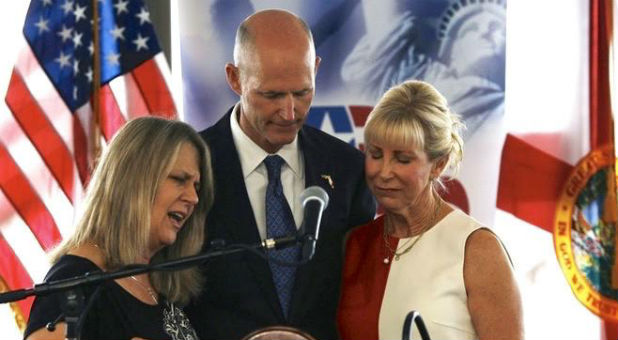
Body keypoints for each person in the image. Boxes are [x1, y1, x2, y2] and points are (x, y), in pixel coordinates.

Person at [184, 9, 376, 340]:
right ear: (234, 78)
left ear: (316, 69)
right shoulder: (189, 167)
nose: (290, 112)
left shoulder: (348, 170)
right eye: (271, 95)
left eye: (302, 93)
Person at [337, 80, 523, 339]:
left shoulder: (477, 249)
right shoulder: (355, 244)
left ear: (438, 164)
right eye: (375, 154)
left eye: (403, 159)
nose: (384, 172)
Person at [24, 117, 214, 340]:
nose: (193, 198)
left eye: (196, 187)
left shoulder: (162, 283)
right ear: (134, 182)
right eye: (179, 179)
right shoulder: (75, 281)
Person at [341, 0, 506, 138]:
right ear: (450, 52)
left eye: (497, 29)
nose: (485, 32)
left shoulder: (506, 111)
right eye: (470, 29)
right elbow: (385, 22)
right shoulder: (414, 75)